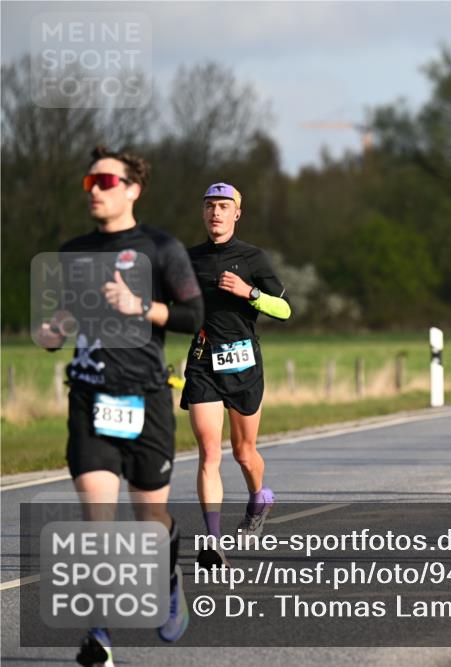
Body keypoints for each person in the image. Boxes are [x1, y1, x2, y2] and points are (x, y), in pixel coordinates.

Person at [35, 146, 204, 665]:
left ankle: (167, 575)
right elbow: (62, 318)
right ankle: (99, 634)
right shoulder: (72, 251)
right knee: (97, 522)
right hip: (89, 396)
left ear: (133, 188)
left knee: (150, 518)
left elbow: (194, 315)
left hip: (147, 398)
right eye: (90, 182)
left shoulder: (161, 248)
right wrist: (53, 330)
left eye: (106, 180)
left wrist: (141, 307)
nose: (96, 189)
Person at [180, 183, 291, 568]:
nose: (216, 213)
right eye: (210, 206)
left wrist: (250, 293)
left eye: (224, 206)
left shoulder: (253, 258)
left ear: (237, 213)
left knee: (244, 453)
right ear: (203, 212)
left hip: (244, 365)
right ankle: (212, 543)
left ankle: (260, 496)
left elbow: (285, 310)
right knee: (209, 452)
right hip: (202, 363)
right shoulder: (188, 259)